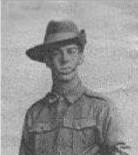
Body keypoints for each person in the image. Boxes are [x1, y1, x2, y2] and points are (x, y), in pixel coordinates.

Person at [19, 20, 130, 155]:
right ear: (47, 60)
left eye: (71, 51)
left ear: (80, 57)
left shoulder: (101, 109)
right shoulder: (35, 114)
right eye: (56, 53)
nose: (65, 59)